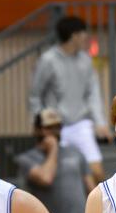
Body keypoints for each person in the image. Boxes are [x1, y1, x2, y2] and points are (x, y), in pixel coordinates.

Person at [29, 16, 110, 180]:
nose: (86, 37)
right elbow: (35, 95)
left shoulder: (86, 60)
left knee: (97, 172)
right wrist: (38, 123)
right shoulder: (48, 60)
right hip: (56, 127)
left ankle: (99, 205)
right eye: (83, 33)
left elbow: (93, 92)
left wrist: (100, 122)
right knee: (64, 175)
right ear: (74, 36)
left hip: (81, 124)